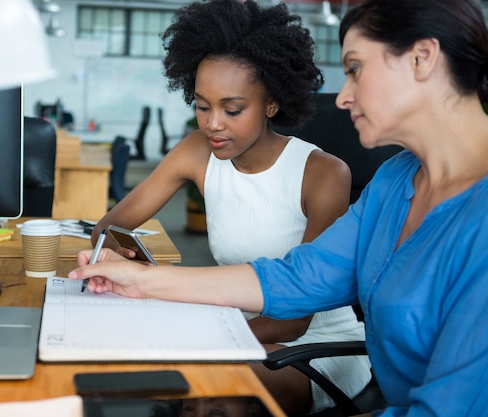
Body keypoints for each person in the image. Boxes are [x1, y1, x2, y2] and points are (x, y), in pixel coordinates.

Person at [72, 0, 488, 415]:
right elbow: (298, 277)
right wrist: (140, 280)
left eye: (355, 69)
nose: (343, 97)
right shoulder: (394, 181)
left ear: (422, 58)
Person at [90, 0, 370, 414]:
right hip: (229, 330)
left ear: (271, 104)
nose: (212, 124)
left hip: (311, 347)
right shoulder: (196, 152)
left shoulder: (322, 174)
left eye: (232, 109)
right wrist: (123, 253)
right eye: (202, 106)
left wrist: (198, 333)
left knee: (211, 393)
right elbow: (108, 228)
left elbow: (294, 320)